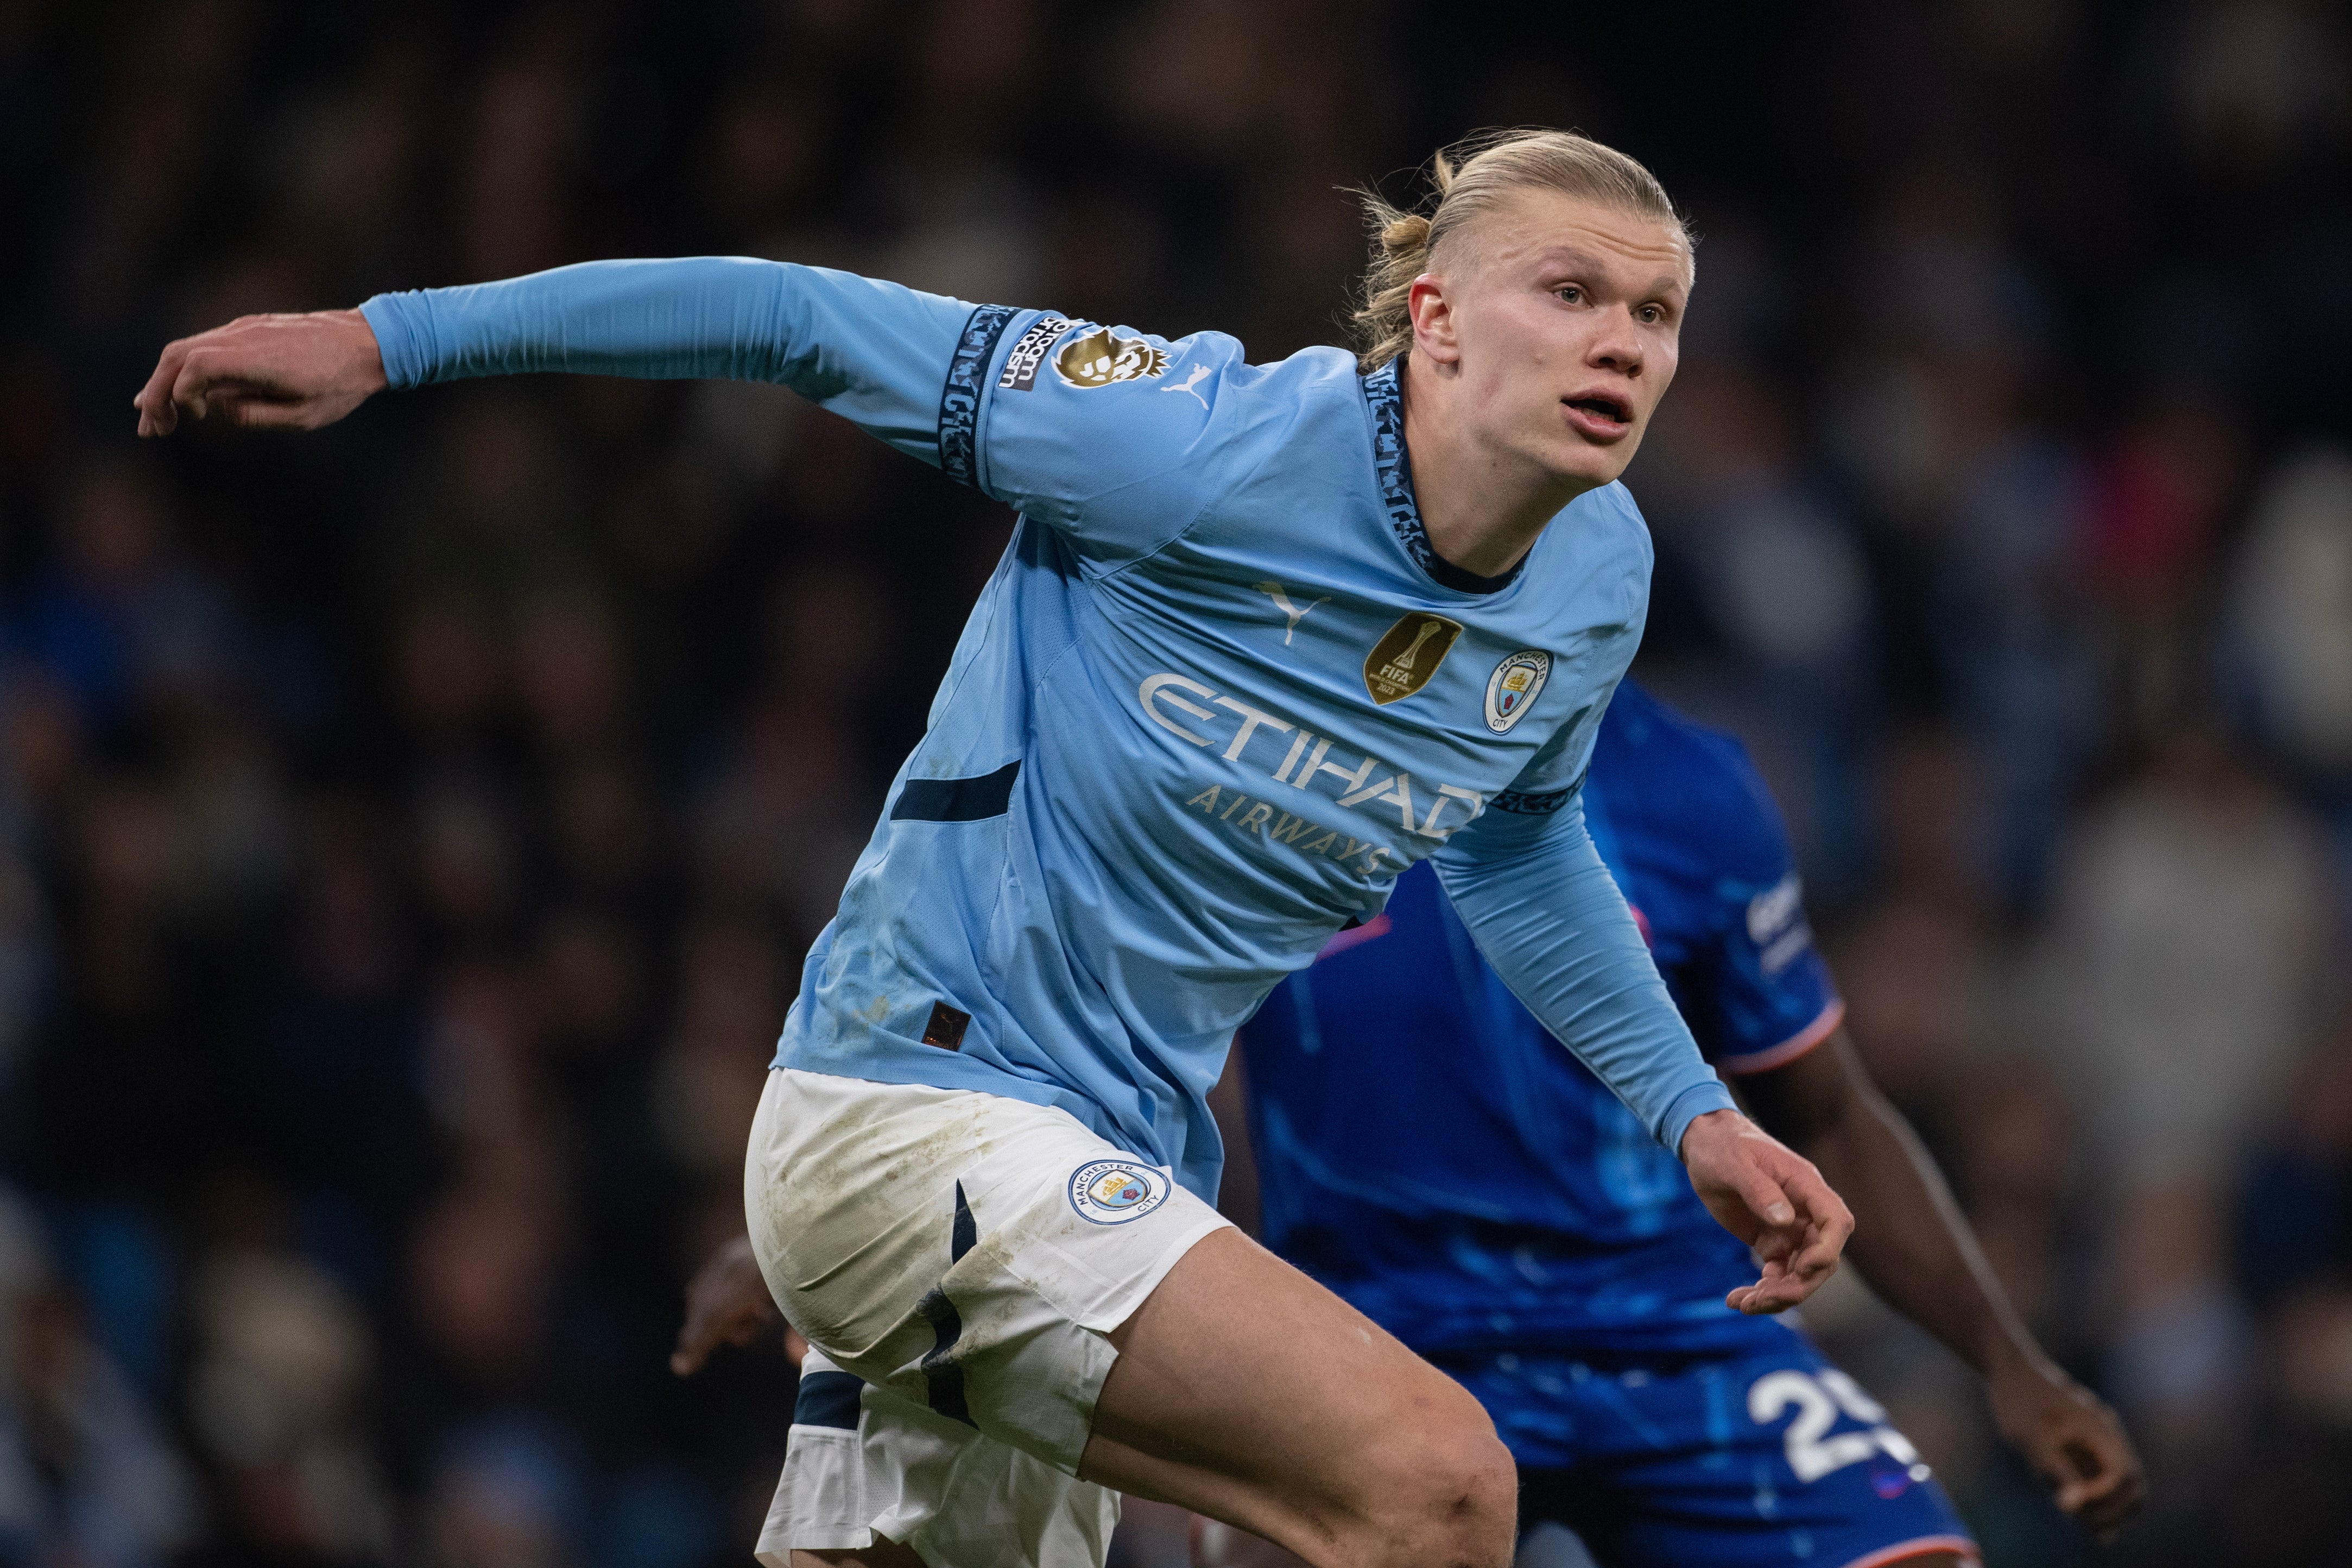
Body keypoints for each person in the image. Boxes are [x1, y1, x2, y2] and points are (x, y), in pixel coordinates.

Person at [135, 130, 1855, 1568]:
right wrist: (389, 338)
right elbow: (794, 318)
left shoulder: (1594, 579)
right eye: (1569, 293)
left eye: (1654, 312)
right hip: (921, 1115)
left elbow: (1516, 845)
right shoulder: (1188, 443)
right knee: (1435, 1478)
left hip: (1103, 1171)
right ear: (1436, 320)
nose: (1621, 342)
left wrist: (1688, 1109)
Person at [1210, 679, 2145, 1565]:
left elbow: (1822, 1113)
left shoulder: (1686, 783)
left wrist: (2010, 1366)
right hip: (1383, 1336)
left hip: (1679, 1329)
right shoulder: (1263, 755)